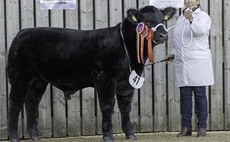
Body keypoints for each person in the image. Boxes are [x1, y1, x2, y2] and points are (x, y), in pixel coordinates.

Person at [165, 0, 214, 137]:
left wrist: (191, 19)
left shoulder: (203, 16)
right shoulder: (181, 17)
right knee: (185, 96)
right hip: (183, 63)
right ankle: (186, 128)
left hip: (198, 62)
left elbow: (200, 31)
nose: (188, 1)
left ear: (198, 0)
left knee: (200, 95)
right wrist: (173, 53)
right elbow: (180, 39)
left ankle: (202, 128)